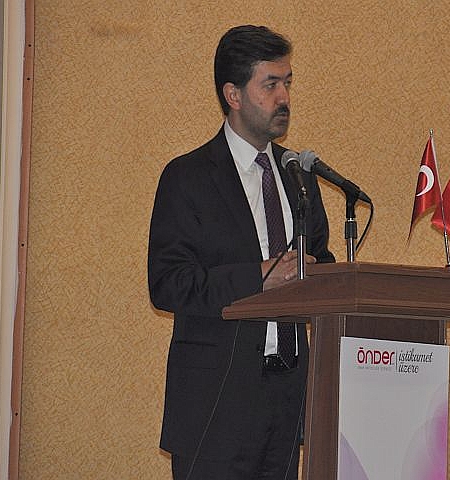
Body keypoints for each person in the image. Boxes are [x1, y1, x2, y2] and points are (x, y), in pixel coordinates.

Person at [148, 25, 335, 480]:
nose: (283, 97)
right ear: (233, 94)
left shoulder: (299, 176)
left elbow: (321, 261)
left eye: (287, 82)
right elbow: (168, 284)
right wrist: (259, 277)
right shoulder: (188, 177)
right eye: (270, 85)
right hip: (215, 403)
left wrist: (320, 276)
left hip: (287, 398)